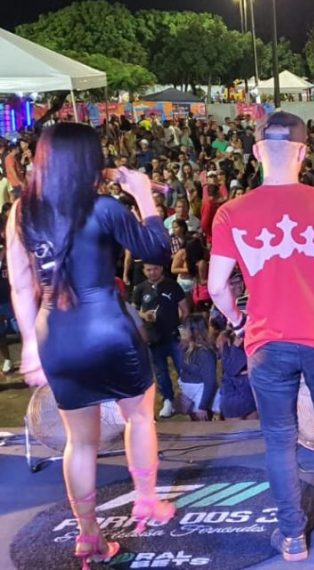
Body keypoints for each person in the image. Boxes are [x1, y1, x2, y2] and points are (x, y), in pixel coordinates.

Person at [5, 124, 174, 567]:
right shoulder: (103, 208)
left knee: (79, 443)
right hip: (108, 329)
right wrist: (143, 194)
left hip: (56, 336)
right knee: (139, 415)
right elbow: (157, 250)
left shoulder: (22, 212)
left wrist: (29, 345)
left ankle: (88, 535)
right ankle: (146, 500)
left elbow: (20, 286)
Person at [208, 112, 314, 561]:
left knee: (279, 438)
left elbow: (217, 285)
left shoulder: (231, 212)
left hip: (267, 341)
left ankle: (292, 537)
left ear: (256, 152)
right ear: (302, 152)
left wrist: (236, 320)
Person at [132, 262, 190, 418]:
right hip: (153, 339)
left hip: (174, 337)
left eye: (155, 269)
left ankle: (189, 397)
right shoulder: (140, 289)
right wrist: (144, 315)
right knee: (160, 373)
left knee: (183, 368)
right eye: (148, 270)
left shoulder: (172, 285)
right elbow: (133, 311)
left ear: (162, 268)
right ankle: (168, 400)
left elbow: (185, 310)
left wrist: (183, 331)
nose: (152, 272)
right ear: (144, 271)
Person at [178, 314, 218, 421]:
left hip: (200, 396)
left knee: (201, 425)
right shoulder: (185, 348)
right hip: (189, 394)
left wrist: (202, 406)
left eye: (185, 328)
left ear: (194, 331)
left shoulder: (205, 354)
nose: (182, 331)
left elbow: (210, 381)